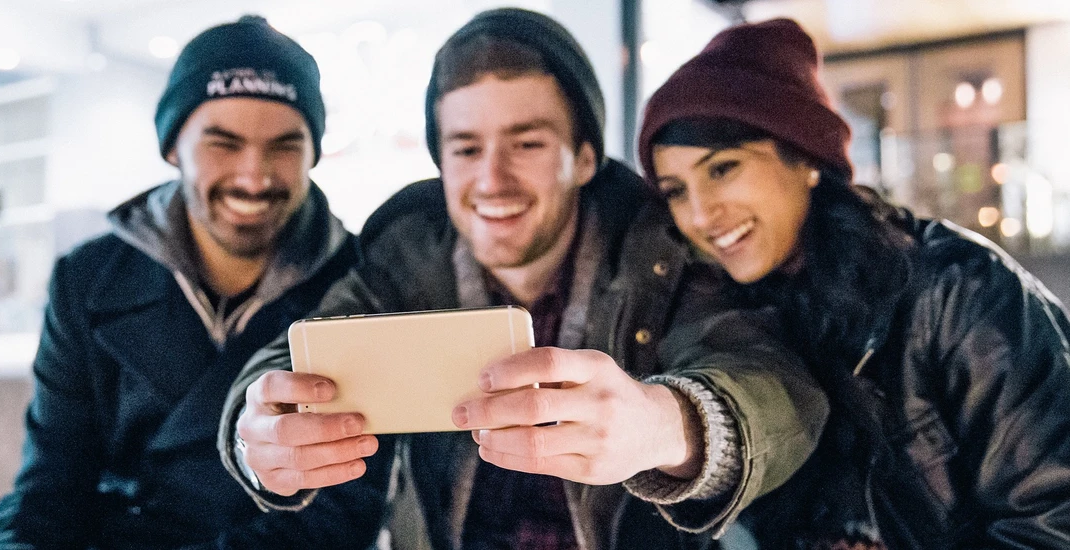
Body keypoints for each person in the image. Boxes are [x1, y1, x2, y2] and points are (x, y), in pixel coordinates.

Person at [218, 8, 828, 549]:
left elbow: (773, 380)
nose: (492, 179)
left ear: (584, 158)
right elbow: (298, 354)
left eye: (527, 142)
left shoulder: (658, 247)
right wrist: (257, 431)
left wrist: (669, 424)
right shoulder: (406, 254)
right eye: (464, 149)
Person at [638, 18, 1070, 549]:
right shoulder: (731, 315)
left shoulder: (957, 292)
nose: (701, 214)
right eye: (676, 190)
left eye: (723, 168)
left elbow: (1051, 523)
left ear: (807, 159)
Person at [0, 16, 390, 549]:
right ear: (173, 147)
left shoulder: (365, 286)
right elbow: (51, 482)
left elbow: (340, 517)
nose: (254, 175)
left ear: (314, 153)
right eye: (223, 144)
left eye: (284, 146)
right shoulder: (88, 281)